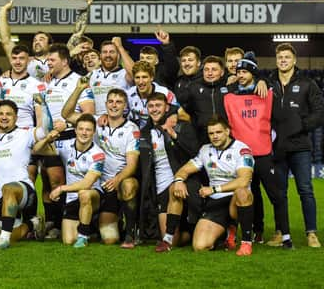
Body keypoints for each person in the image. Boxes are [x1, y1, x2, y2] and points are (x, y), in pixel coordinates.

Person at [223, 52, 292, 247]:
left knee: (276, 196)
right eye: (239, 72)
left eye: (245, 71)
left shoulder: (267, 93)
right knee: (248, 196)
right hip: (242, 159)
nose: (241, 75)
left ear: (253, 73)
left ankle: (285, 235)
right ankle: (251, 234)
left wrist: (264, 80)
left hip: (263, 155)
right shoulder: (229, 96)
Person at [160, 116, 255, 256]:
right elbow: (185, 169)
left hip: (233, 201)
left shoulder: (241, 149)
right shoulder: (205, 150)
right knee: (200, 246)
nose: (215, 136)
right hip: (214, 202)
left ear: (227, 131)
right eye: (211, 133)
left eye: (218, 132)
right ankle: (168, 239)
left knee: (242, 192)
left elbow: (244, 180)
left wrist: (214, 189)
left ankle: (246, 243)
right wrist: (179, 180)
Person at [64, 87, 140, 248]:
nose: (114, 105)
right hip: (96, 185)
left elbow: (132, 165)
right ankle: (95, 225)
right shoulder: (96, 123)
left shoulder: (131, 129)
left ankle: (130, 232)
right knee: (103, 236)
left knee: (129, 185)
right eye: (111, 101)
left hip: (116, 184)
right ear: (105, 104)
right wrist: (78, 89)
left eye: (119, 102)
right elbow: (67, 115)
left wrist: (117, 179)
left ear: (125, 106)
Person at [0, 100, 49, 250]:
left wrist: (44, 107)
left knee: (9, 188)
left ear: (16, 117)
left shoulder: (25, 133)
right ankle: (32, 224)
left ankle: (3, 239)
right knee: (14, 234)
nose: (4, 117)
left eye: (9, 114)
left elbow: (45, 131)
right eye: (0, 113)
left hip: (24, 189)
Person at [269, 43, 324, 248]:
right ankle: (280, 232)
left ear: (294, 60)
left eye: (287, 57)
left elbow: (319, 112)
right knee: (278, 192)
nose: (283, 60)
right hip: (276, 147)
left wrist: (302, 125)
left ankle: (311, 233)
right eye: (280, 57)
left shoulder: (308, 83)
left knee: (305, 190)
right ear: (276, 60)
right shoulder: (268, 83)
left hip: (300, 146)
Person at [43, 43, 95, 238]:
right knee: (51, 181)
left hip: (71, 138)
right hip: (51, 139)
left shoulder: (77, 81)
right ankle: (54, 224)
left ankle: (76, 221)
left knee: (71, 181)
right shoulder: (48, 82)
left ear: (64, 62)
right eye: (48, 59)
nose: (48, 62)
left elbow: (89, 113)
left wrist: (67, 124)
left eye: (52, 59)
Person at [34, 114, 105, 248]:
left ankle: (83, 236)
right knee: (68, 240)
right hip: (72, 199)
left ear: (94, 132)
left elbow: (87, 184)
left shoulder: (98, 154)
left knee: (84, 193)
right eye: (81, 129)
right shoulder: (66, 146)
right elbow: (37, 150)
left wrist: (61, 189)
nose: (84, 133)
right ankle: (91, 228)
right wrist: (47, 139)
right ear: (76, 130)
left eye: (88, 130)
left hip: (93, 196)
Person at [139, 93, 200, 247]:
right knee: (175, 240)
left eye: (158, 105)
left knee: (168, 238)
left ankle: (195, 228)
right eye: (151, 106)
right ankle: (190, 234)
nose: (154, 109)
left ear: (167, 107)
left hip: (182, 183)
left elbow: (195, 153)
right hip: (159, 189)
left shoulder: (181, 126)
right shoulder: (145, 133)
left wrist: (174, 135)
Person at [88, 38, 134, 116]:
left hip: (120, 120)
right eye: (104, 52)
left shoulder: (124, 73)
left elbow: (135, 74)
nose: (108, 55)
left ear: (118, 55)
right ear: (100, 55)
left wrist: (120, 47)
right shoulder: (91, 75)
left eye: (112, 52)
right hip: (97, 122)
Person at [127, 61, 178, 129]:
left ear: (151, 78)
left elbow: (180, 113)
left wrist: (174, 115)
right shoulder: (129, 94)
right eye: (137, 77)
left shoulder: (165, 93)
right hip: (138, 132)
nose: (141, 82)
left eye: (144, 77)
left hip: (161, 130)